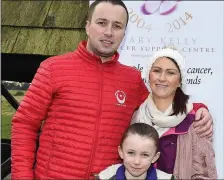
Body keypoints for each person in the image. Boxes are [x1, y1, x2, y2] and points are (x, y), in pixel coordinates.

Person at [11, 0, 213, 179]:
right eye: (101, 23)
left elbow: (161, 103)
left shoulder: (131, 79)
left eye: (117, 26)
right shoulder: (53, 68)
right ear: (88, 26)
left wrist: (198, 108)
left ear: (124, 33)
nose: (109, 32)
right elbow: (25, 124)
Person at [131, 47, 217, 179]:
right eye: (157, 71)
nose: (162, 78)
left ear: (180, 81)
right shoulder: (136, 116)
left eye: (170, 73)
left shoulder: (195, 121)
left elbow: (204, 175)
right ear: (149, 75)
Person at [97, 123, 176, 180]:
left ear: (155, 157)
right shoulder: (105, 177)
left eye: (145, 155)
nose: (137, 161)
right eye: (131, 153)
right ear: (121, 152)